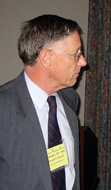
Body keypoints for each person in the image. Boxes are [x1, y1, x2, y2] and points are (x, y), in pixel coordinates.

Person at [0, 15, 87, 190]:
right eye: (76, 55)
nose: (83, 62)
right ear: (47, 58)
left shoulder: (70, 98)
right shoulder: (3, 109)